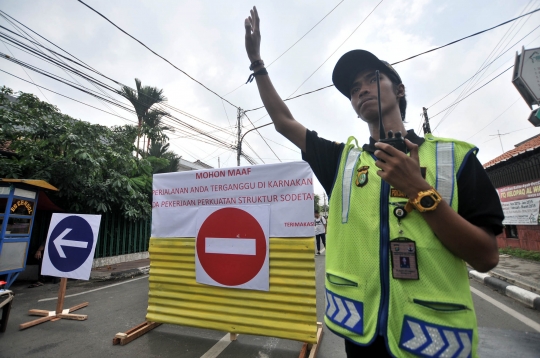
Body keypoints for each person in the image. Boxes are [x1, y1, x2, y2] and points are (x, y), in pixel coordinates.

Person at [244, 7, 504, 357]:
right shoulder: (343, 161)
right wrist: (257, 63)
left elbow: (486, 257)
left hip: (431, 343)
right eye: (354, 89)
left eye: (371, 80)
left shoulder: (454, 159)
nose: (361, 90)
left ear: (398, 89)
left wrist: (420, 191)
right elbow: (283, 122)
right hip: (362, 338)